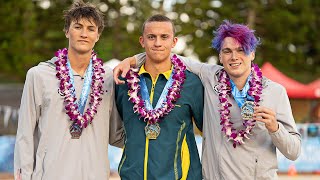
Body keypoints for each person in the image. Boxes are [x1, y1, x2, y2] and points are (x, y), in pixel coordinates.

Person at [114, 20, 301, 179]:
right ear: (220, 56)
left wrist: (275, 128)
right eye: (227, 51)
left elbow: (293, 152)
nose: (234, 57)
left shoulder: (274, 92)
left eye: (241, 50)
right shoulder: (210, 77)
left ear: (252, 53)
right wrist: (133, 60)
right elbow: (164, 54)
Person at [14, 1, 123, 180]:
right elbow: (24, 135)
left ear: (98, 35)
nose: (84, 34)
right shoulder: (39, 75)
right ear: (67, 31)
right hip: (50, 175)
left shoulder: (109, 78)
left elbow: (116, 134)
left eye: (90, 28)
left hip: (95, 175)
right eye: (78, 27)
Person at [114, 14, 204, 179]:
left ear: (174, 42)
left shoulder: (192, 84)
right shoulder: (123, 82)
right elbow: (115, 130)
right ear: (142, 41)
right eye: (151, 37)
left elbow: (210, 132)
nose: (157, 43)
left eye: (164, 37)